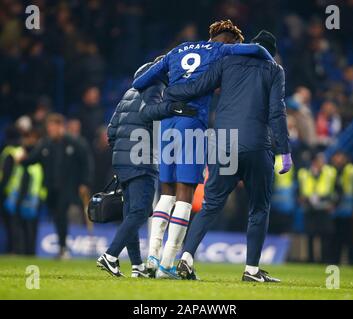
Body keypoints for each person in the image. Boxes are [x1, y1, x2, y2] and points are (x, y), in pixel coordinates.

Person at [132, 20, 274, 279]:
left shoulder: (177, 50)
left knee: (166, 192)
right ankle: (166, 264)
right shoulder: (223, 50)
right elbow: (257, 51)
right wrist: (266, 55)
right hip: (192, 123)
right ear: (231, 40)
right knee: (185, 194)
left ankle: (150, 260)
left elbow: (140, 81)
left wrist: (171, 86)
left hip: (167, 121)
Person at [164, 30, 291, 282]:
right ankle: (251, 270)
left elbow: (198, 86)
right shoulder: (274, 70)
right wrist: (284, 150)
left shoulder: (227, 61)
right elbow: (277, 112)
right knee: (259, 207)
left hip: (223, 143)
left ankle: (186, 258)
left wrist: (171, 94)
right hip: (256, 144)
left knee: (211, 205)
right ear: (271, 53)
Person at [96, 57, 198, 277]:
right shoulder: (155, 87)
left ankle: (137, 266)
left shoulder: (130, 92)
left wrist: (121, 153)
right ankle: (110, 256)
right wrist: (174, 109)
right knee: (141, 211)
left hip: (122, 160)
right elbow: (148, 112)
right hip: (141, 159)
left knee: (131, 213)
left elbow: (111, 132)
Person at [18, 113, 94, 259]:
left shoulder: (73, 143)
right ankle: (62, 247)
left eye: (53, 127)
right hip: (50, 188)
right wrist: (22, 161)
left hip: (68, 187)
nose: (50, 130)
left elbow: (86, 162)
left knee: (61, 215)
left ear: (60, 127)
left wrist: (85, 182)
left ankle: (63, 247)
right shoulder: (45, 144)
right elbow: (34, 158)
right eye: (49, 127)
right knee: (57, 215)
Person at [4, 130, 46, 255]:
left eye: (33, 138)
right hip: (19, 193)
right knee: (17, 223)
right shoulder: (17, 154)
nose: (30, 141)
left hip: (33, 196)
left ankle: (29, 251)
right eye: (28, 138)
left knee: (29, 225)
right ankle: (18, 250)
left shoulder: (39, 156)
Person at [297, 153, 337, 263]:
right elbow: (298, 189)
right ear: (314, 162)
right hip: (309, 208)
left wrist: (334, 203)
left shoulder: (330, 172)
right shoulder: (304, 173)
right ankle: (311, 259)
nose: (322, 163)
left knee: (325, 235)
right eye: (320, 161)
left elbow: (337, 189)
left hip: (324, 208)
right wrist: (300, 199)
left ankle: (324, 259)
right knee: (310, 235)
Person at [331, 151, 353, 265]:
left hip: (349, 210)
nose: (337, 159)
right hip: (336, 211)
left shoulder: (352, 170)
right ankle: (335, 261)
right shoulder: (332, 171)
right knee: (336, 238)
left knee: (350, 238)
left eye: (339, 156)